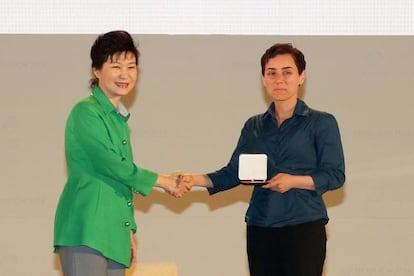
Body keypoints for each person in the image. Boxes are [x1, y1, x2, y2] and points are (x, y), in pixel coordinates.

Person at [181, 43, 345, 276]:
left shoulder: (321, 122)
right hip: (260, 226)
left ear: (301, 77)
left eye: (287, 72)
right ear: (263, 79)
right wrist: (193, 179)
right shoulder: (254, 125)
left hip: (304, 225)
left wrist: (293, 181)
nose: (279, 79)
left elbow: (335, 175)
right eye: (272, 73)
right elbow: (234, 172)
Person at [54, 30, 183, 276]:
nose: (125, 74)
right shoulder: (86, 112)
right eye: (116, 66)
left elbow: (120, 183)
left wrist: (128, 229)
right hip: (86, 229)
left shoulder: (119, 119)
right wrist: (164, 181)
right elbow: (112, 165)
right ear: (96, 70)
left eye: (131, 67)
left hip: (113, 232)